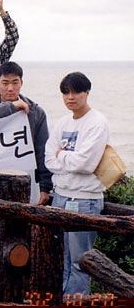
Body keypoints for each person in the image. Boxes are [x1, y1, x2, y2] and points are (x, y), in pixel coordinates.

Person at [44, 72, 110, 296]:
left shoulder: (97, 123)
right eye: (66, 93)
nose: (70, 97)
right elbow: (48, 159)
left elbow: (86, 163)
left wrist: (61, 155)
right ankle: (62, 303)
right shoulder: (62, 122)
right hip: (60, 196)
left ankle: (76, 307)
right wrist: (67, 160)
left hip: (84, 198)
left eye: (76, 92)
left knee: (80, 261)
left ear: (87, 93)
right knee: (61, 257)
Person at [0, 62, 52, 204]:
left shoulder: (36, 112)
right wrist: (11, 106)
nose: (10, 88)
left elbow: (42, 151)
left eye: (15, 83)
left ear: (21, 83)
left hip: (23, 180)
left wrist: (45, 186)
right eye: (5, 83)